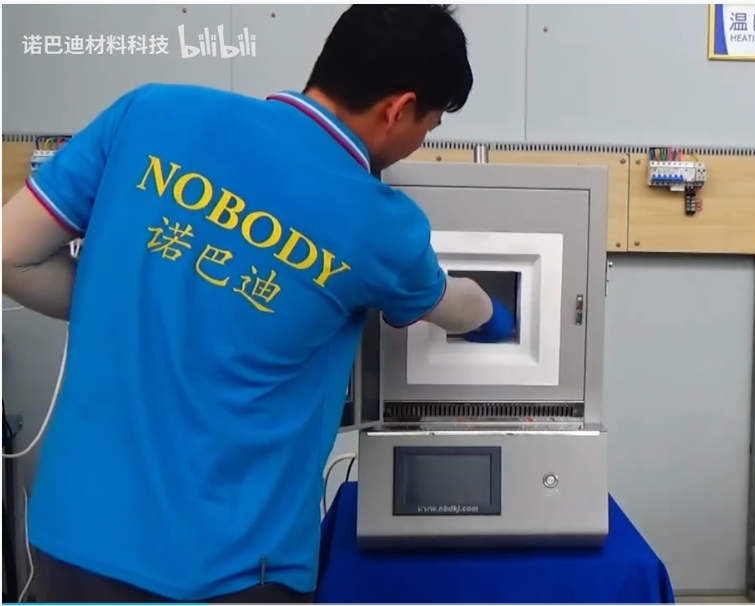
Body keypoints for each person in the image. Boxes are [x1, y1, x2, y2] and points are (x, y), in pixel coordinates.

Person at [1, 5, 515, 603]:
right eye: (429, 126)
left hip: (73, 543)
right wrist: (498, 321)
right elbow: (456, 305)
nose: (419, 143)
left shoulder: (151, 112)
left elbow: (10, 256)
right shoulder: (379, 222)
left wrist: (128, 297)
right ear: (399, 109)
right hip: (233, 571)